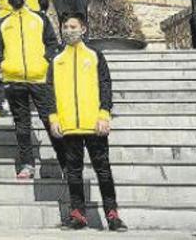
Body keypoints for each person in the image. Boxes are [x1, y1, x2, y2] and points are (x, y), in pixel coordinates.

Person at [48, 13, 127, 232]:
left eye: (73, 26)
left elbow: (105, 85)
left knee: (103, 170)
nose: (69, 30)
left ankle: (112, 215)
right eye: (65, 26)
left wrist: (104, 114)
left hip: (94, 125)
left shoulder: (94, 55)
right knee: (73, 172)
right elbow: (48, 92)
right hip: (68, 126)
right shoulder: (56, 58)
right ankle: (77, 215)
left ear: (83, 29)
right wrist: (53, 119)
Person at [0, 0, 65, 179]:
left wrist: (45, 60)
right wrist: (4, 63)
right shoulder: (3, 22)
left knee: (51, 121)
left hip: (40, 78)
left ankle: (65, 163)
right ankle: (27, 164)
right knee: (22, 125)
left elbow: (52, 43)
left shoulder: (39, 18)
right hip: (13, 80)